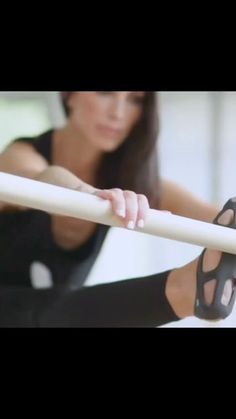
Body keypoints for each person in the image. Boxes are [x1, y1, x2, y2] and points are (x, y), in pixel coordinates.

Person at [0, 91, 235, 328]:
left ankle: (186, 290)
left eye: (135, 100)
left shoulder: (129, 176)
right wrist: (88, 195)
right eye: (105, 93)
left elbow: (220, 217)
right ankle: (182, 291)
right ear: (70, 96)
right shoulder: (19, 155)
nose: (118, 113)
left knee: (59, 309)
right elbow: (43, 178)